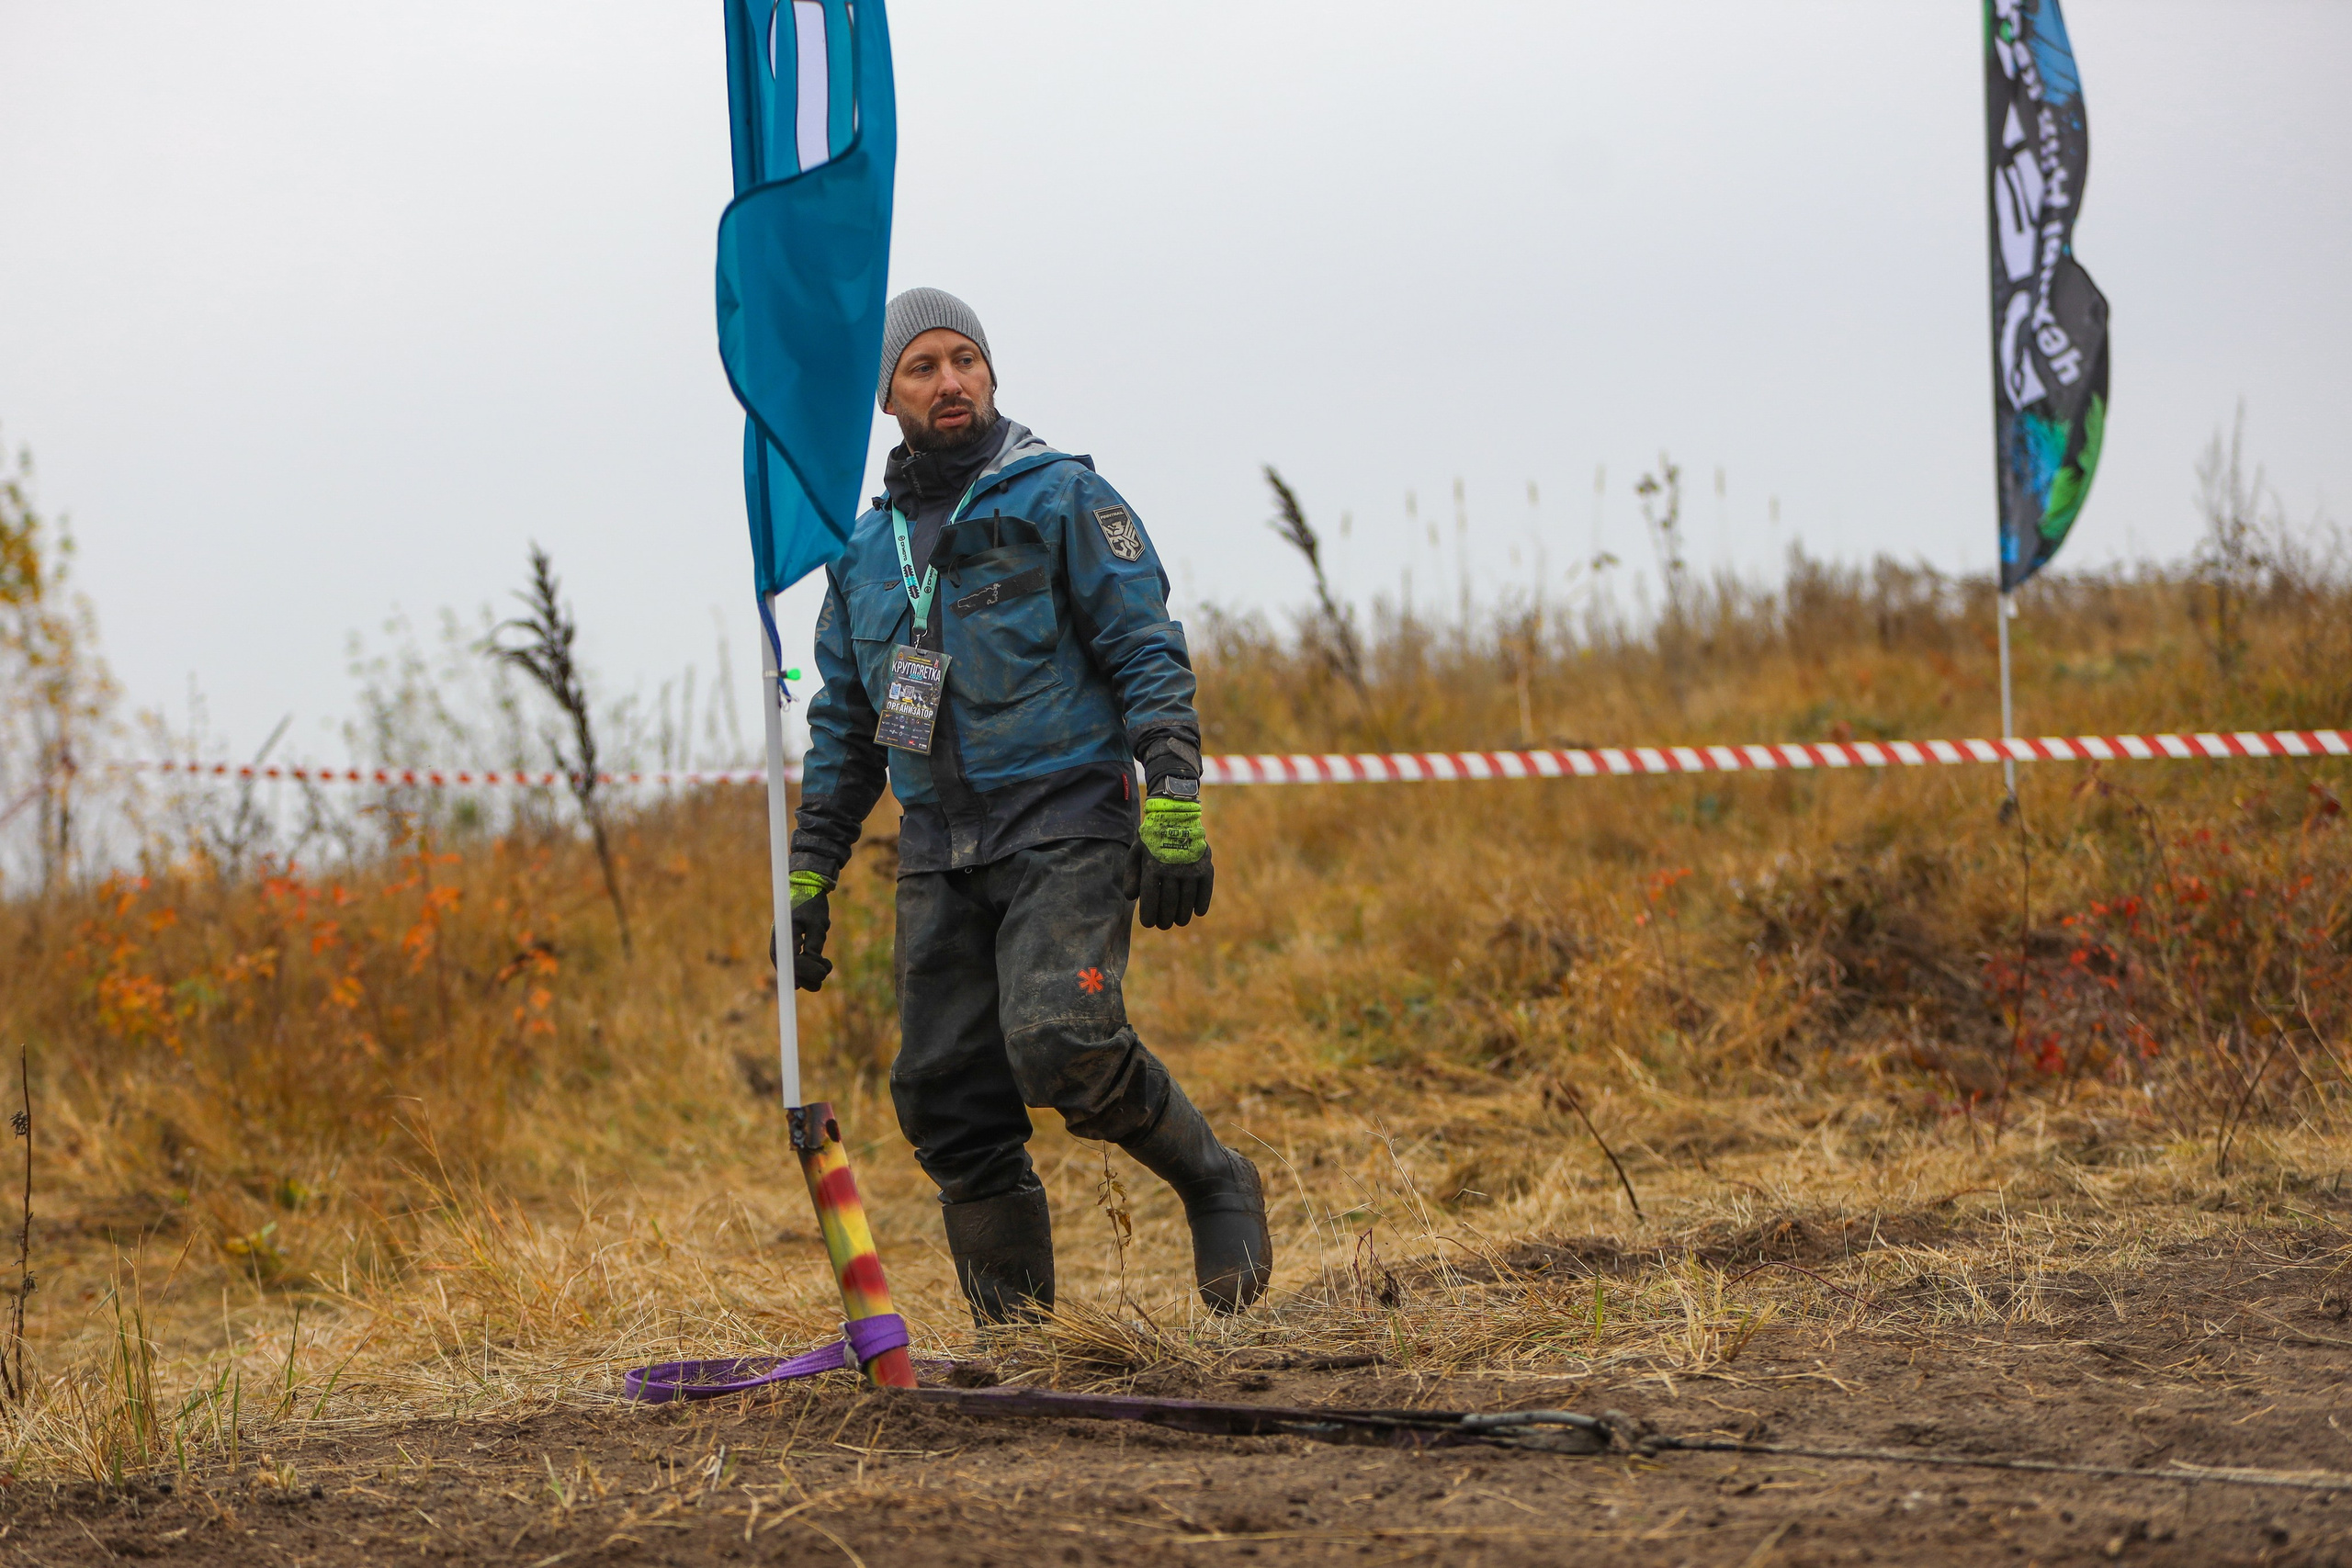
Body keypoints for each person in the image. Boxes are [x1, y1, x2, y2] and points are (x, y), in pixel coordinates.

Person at [786, 288, 1271, 1320]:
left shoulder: (1062, 500)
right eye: (922, 366)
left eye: (965, 359)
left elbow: (1146, 650)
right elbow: (843, 727)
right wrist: (808, 873)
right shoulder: (859, 556)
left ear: (992, 375)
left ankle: (1214, 1178)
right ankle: (1023, 1350)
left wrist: (1173, 802)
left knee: (1063, 1040)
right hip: (936, 848)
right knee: (947, 1100)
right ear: (888, 396)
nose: (949, 380)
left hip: (1063, 818)